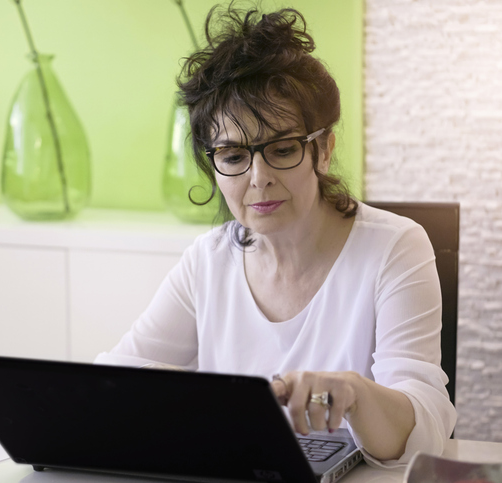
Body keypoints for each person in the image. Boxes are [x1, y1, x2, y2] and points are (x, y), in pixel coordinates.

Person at [95, 5, 456, 467]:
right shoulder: (208, 260)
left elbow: (426, 436)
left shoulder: (394, 247)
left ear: (322, 150)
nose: (258, 178)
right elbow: (115, 379)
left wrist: (355, 394)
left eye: (282, 149)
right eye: (232, 155)